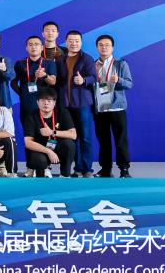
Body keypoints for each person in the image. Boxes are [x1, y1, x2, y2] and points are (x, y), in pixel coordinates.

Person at [56, 30, 97, 177]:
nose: (74, 43)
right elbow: (58, 81)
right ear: (66, 42)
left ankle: (87, 169)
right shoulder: (60, 59)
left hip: (82, 103)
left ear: (81, 42)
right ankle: (77, 168)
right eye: (71, 41)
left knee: (85, 137)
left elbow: (94, 77)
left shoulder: (87, 58)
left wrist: (83, 80)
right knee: (72, 137)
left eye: (77, 41)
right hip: (66, 104)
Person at [94, 34, 134, 178]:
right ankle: (106, 169)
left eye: (107, 45)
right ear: (97, 47)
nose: (104, 47)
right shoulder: (93, 65)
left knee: (120, 139)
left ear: (112, 48)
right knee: (103, 140)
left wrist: (118, 80)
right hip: (100, 108)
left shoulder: (120, 64)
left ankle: (124, 169)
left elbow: (129, 84)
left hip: (117, 107)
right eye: (101, 45)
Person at [22, 87, 76, 177]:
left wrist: (52, 132)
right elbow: (28, 143)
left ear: (54, 103)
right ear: (37, 102)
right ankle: (43, 171)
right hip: (41, 149)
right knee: (38, 160)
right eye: (43, 100)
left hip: (57, 147)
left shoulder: (62, 112)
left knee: (69, 145)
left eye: (49, 101)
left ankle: (65, 174)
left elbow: (73, 135)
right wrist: (48, 151)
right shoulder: (31, 116)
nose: (46, 103)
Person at [11, 36, 58, 118]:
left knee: (44, 124)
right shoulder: (20, 63)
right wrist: (22, 94)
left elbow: (53, 81)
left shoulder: (49, 63)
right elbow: (13, 83)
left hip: (44, 101)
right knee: (27, 124)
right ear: (26, 48)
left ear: (42, 47)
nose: (33, 47)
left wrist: (45, 75)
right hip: (26, 102)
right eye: (30, 45)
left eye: (36, 44)